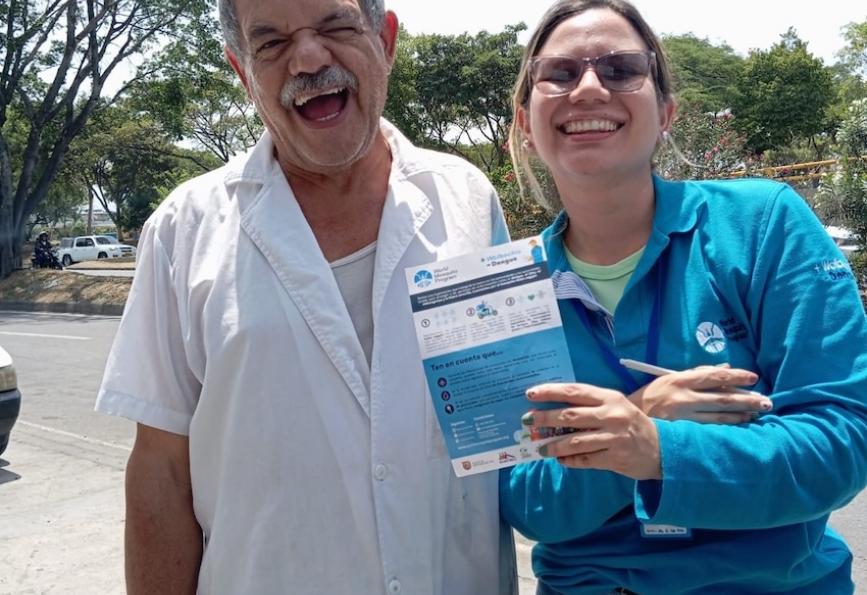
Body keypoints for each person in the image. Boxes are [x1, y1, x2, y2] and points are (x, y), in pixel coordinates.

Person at [95, 0, 517, 593]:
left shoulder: (468, 200)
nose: (309, 58)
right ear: (243, 71)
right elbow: (162, 473)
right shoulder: (182, 231)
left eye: (336, 26)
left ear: (386, 40)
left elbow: (505, 433)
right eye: (270, 43)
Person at [499, 1, 867, 593]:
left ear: (665, 111)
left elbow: (840, 445)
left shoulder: (763, 225)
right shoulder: (505, 292)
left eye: (620, 69)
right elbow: (525, 502)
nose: (589, 88)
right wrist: (643, 415)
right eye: (560, 74)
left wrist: (657, 449)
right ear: (524, 119)